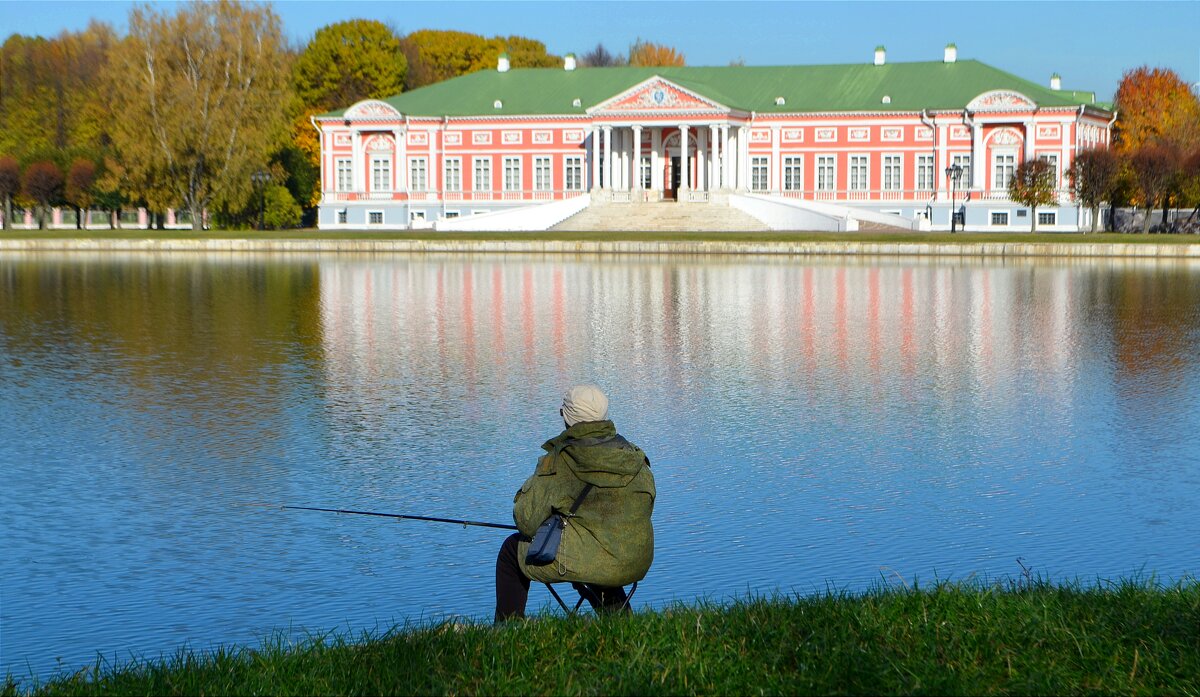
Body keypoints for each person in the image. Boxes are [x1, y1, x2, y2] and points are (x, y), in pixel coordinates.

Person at [494, 384, 655, 621]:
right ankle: (622, 622)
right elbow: (647, 505)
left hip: (594, 558)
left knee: (511, 550)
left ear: (567, 418)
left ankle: (507, 629)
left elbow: (525, 521)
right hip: (635, 560)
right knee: (595, 546)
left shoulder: (561, 460)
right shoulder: (634, 455)